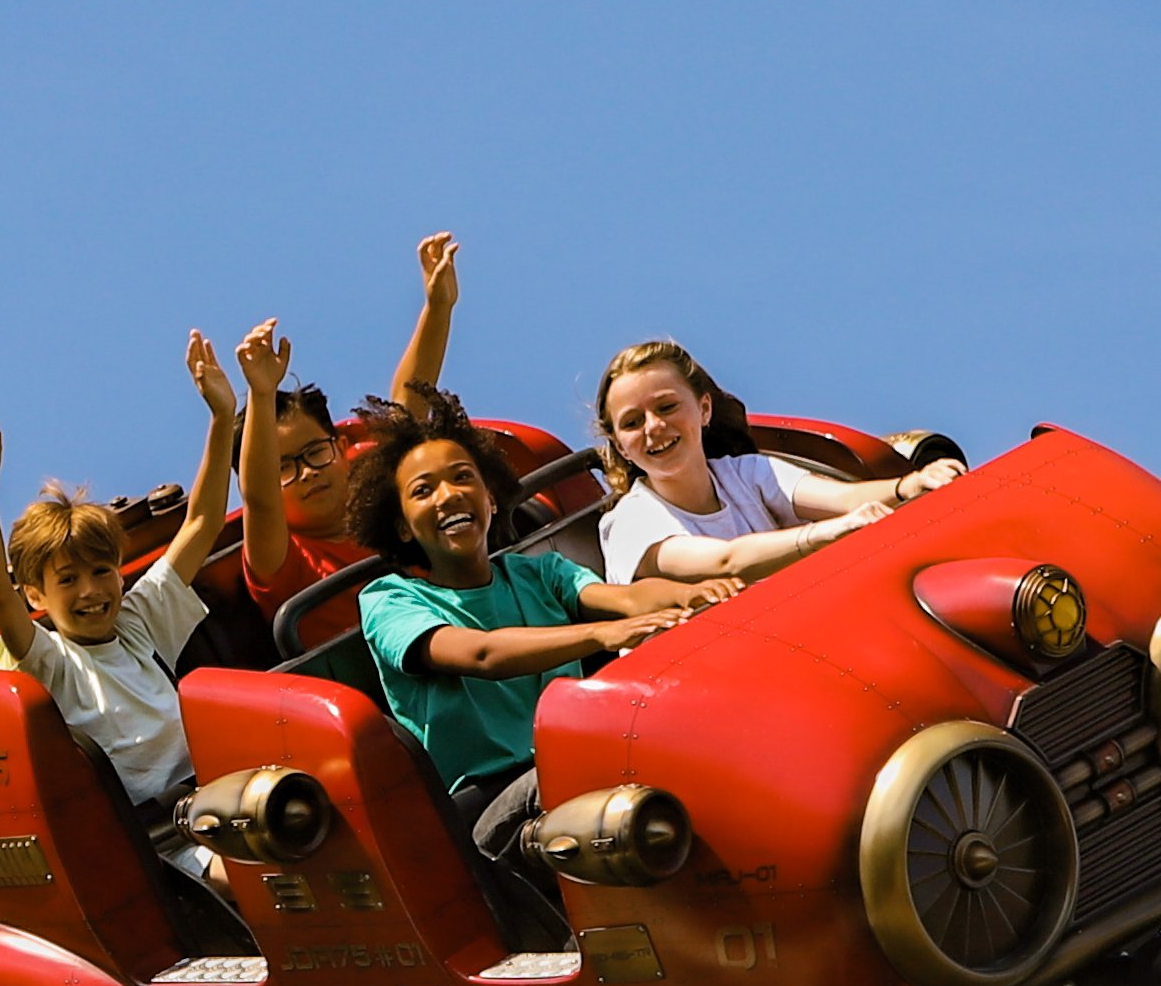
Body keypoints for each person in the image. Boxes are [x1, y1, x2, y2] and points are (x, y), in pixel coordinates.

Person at [347, 394, 725, 937]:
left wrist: (688, 597)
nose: (449, 495)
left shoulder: (539, 574)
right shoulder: (390, 600)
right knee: (593, 780)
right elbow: (481, 654)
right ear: (403, 525)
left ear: (492, 497)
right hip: (483, 814)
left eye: (462, 478)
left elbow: (626, 600)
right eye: (423, 491)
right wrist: (601, 634)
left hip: (570, 769)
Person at [0, 366, 247, 933]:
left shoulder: (137, 624)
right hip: (164, 844)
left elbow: (201, 521)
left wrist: (222, 418)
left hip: (225, 801)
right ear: (37, 593)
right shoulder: (53, 661)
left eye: (102, 572)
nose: (90, 592)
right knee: (257, 878)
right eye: (68, 580)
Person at [183, 233, 465, 669]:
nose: (308, 473)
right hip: (387, 681)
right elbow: (259, 499)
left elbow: (408, 407)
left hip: (465, 628)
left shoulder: (372, 483)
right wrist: (260, 393)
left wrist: (437, 306)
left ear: (338, 446)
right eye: (284, 468)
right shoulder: (285, 560)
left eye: (314, 452)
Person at [590, 338, 964, 585]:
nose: (654, 427)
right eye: (633, 423)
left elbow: (845, 500)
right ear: (621, 447)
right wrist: (829, 533)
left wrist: (912, 485)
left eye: (667, 407)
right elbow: (727, 561)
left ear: (703, 409)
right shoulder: (629, 522)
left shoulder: (745, 473)